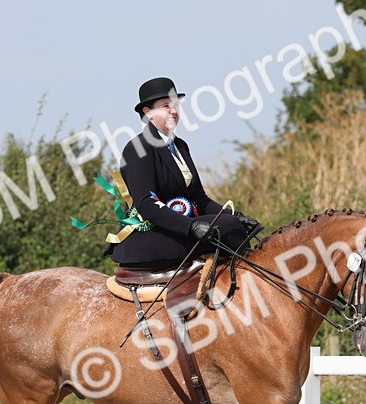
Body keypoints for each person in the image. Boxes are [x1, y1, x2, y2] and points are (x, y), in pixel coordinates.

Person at [108, 77, 259, 269]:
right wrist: (190, 227)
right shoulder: (138, 148)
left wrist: (237, 215)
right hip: (149, 235)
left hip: (178, 231)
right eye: (166, 106)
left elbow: (199, 199)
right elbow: (146, 204)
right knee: (227, 227)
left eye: (175, 105)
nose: (173, 111)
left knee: (233, 224)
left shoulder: (180, 146)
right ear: (147, 113)